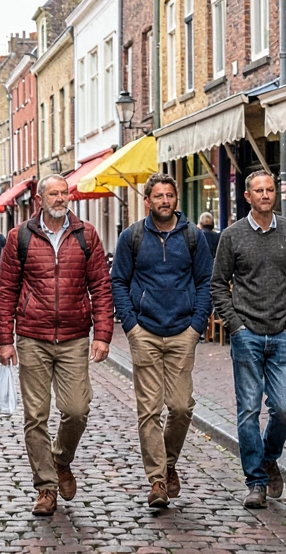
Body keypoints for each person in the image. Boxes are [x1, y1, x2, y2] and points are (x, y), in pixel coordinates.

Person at [0, 174, 113, 516]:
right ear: (40, 198)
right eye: (54, 193)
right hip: (32, 336)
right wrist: (5, 340)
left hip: (75, 336)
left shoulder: (86, 234)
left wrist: (103, 334)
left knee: (77, 409)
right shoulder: (20, 237)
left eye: (64, 193)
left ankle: (61, 459)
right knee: (36, 416)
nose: (61, 198)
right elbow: (6, 291)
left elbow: (101, 288)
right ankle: (45, 487)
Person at [210, 170, 286, 509]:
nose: (266, 195)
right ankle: (255, 481)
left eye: (270, 189)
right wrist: (236, 326)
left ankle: (269, 458)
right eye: (259, 190)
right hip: (247, 336)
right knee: (248, 412)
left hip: (283, 334)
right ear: (247, 196)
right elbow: (218, 284)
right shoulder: (232, 236)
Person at [111, 173, 212, 509]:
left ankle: (169, 463)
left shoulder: (194, 237)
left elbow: (206, 282)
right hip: (146, 333)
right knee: (148, 410)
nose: (165, 201)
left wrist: (197, 325)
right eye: (159, 196)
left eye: (170, 196)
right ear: (148, 201)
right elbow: (119, 283)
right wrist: (131, 326)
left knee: (182, 407)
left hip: (183, 331)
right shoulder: (132, 237)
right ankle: (156, 481)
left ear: (176, 200)